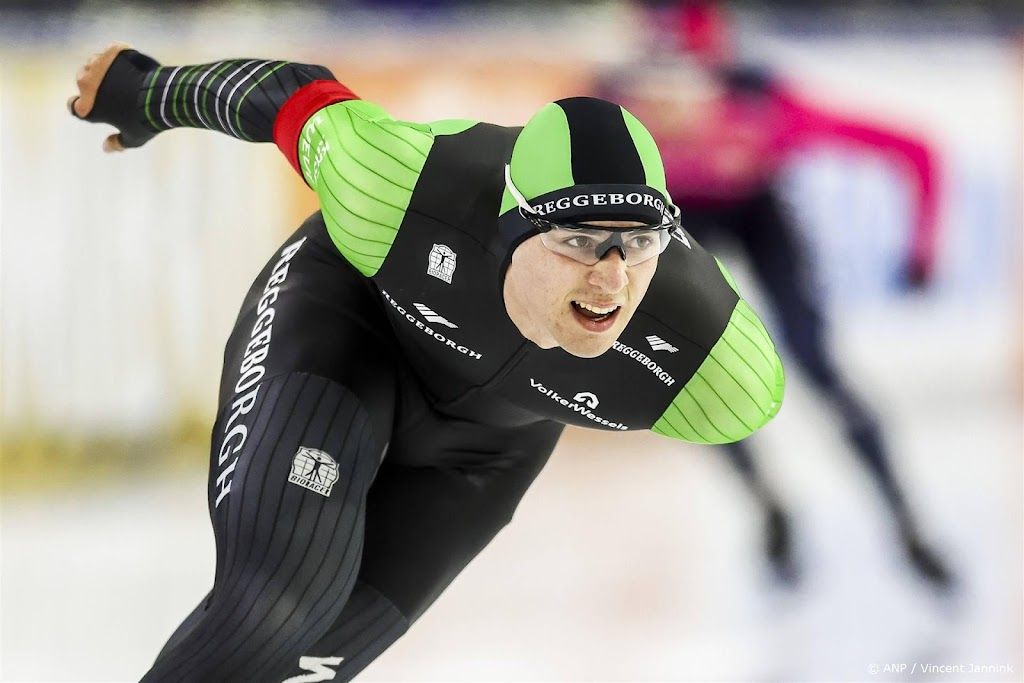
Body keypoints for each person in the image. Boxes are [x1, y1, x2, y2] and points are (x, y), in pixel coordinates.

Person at [69, 43, 784, 682]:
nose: (612, 277)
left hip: (485, 447)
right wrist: (148, 93)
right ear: (510, 227)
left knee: (309, 666)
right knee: (278, 606)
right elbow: (289, 93)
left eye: (638, 242)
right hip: (348, 332)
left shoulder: (714, 365)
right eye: (576, 240)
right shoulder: (400, 186)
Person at [597, 1, 951, 588]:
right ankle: (768, 505)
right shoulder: (612, 111)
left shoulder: (766, 106)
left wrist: (922, 250)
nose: (677, 110)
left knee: (816, 366)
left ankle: (905, 523)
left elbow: (915, 150)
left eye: (690, 94)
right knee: (684, 378)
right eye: (660, 96)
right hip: (675, 225)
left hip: (757, 216)